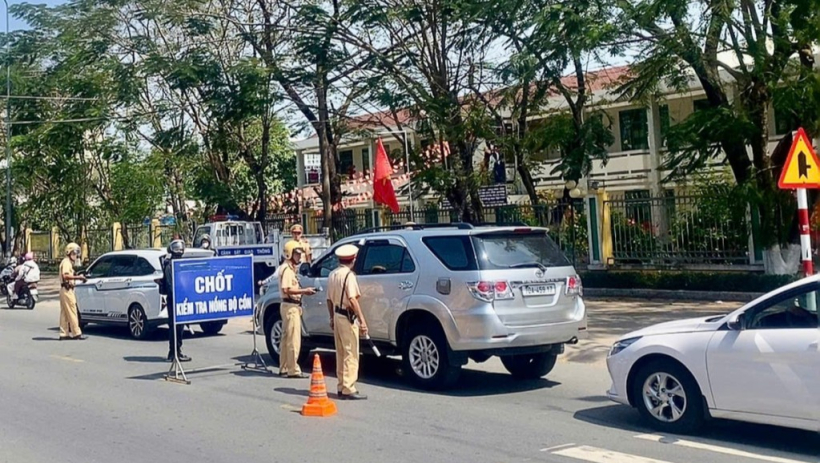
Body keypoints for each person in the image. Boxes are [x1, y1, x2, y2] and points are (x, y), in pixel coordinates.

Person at [327, 244, 368, 400]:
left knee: (341, 352)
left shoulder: (333, 274)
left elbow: (329, 299)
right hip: (347, 317)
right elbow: (352, 299)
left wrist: (331, 317)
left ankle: (341, 385)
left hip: (337, 316)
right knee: (351, 352)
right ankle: (348, 387)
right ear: (354, 259)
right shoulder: (349, 276)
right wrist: (362, 320)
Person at [278, 240, 317, 378]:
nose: (299, 257)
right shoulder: (287, 270)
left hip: (288, 306)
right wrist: (304, 291)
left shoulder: (287, 268)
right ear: (289, 254)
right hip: (291, 306)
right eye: (296, 254)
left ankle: (284, 367)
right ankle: (293, 369)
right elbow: (287, 289)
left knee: (286, 339)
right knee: (293, 340)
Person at [160, 239, 191, 362]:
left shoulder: (182, 264)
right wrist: (176, 296)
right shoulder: (169, 265)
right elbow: (169, 285)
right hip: (173, 300)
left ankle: (178, 351)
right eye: (177, 248)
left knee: (180, 327)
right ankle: (173, 353)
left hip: (182, 300)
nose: (180, 250)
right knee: (174, 326)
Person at [59, 243, 87, 341]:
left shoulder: (67, 262)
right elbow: (65, 276)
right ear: (69, 253)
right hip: (67, 289)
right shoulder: (66, 262)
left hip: (64, 290)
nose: (76, 256)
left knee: (65, 313)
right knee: (72, 311)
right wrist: (78, 277)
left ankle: (64, 333)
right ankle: (76, 333)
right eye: (74, 253)